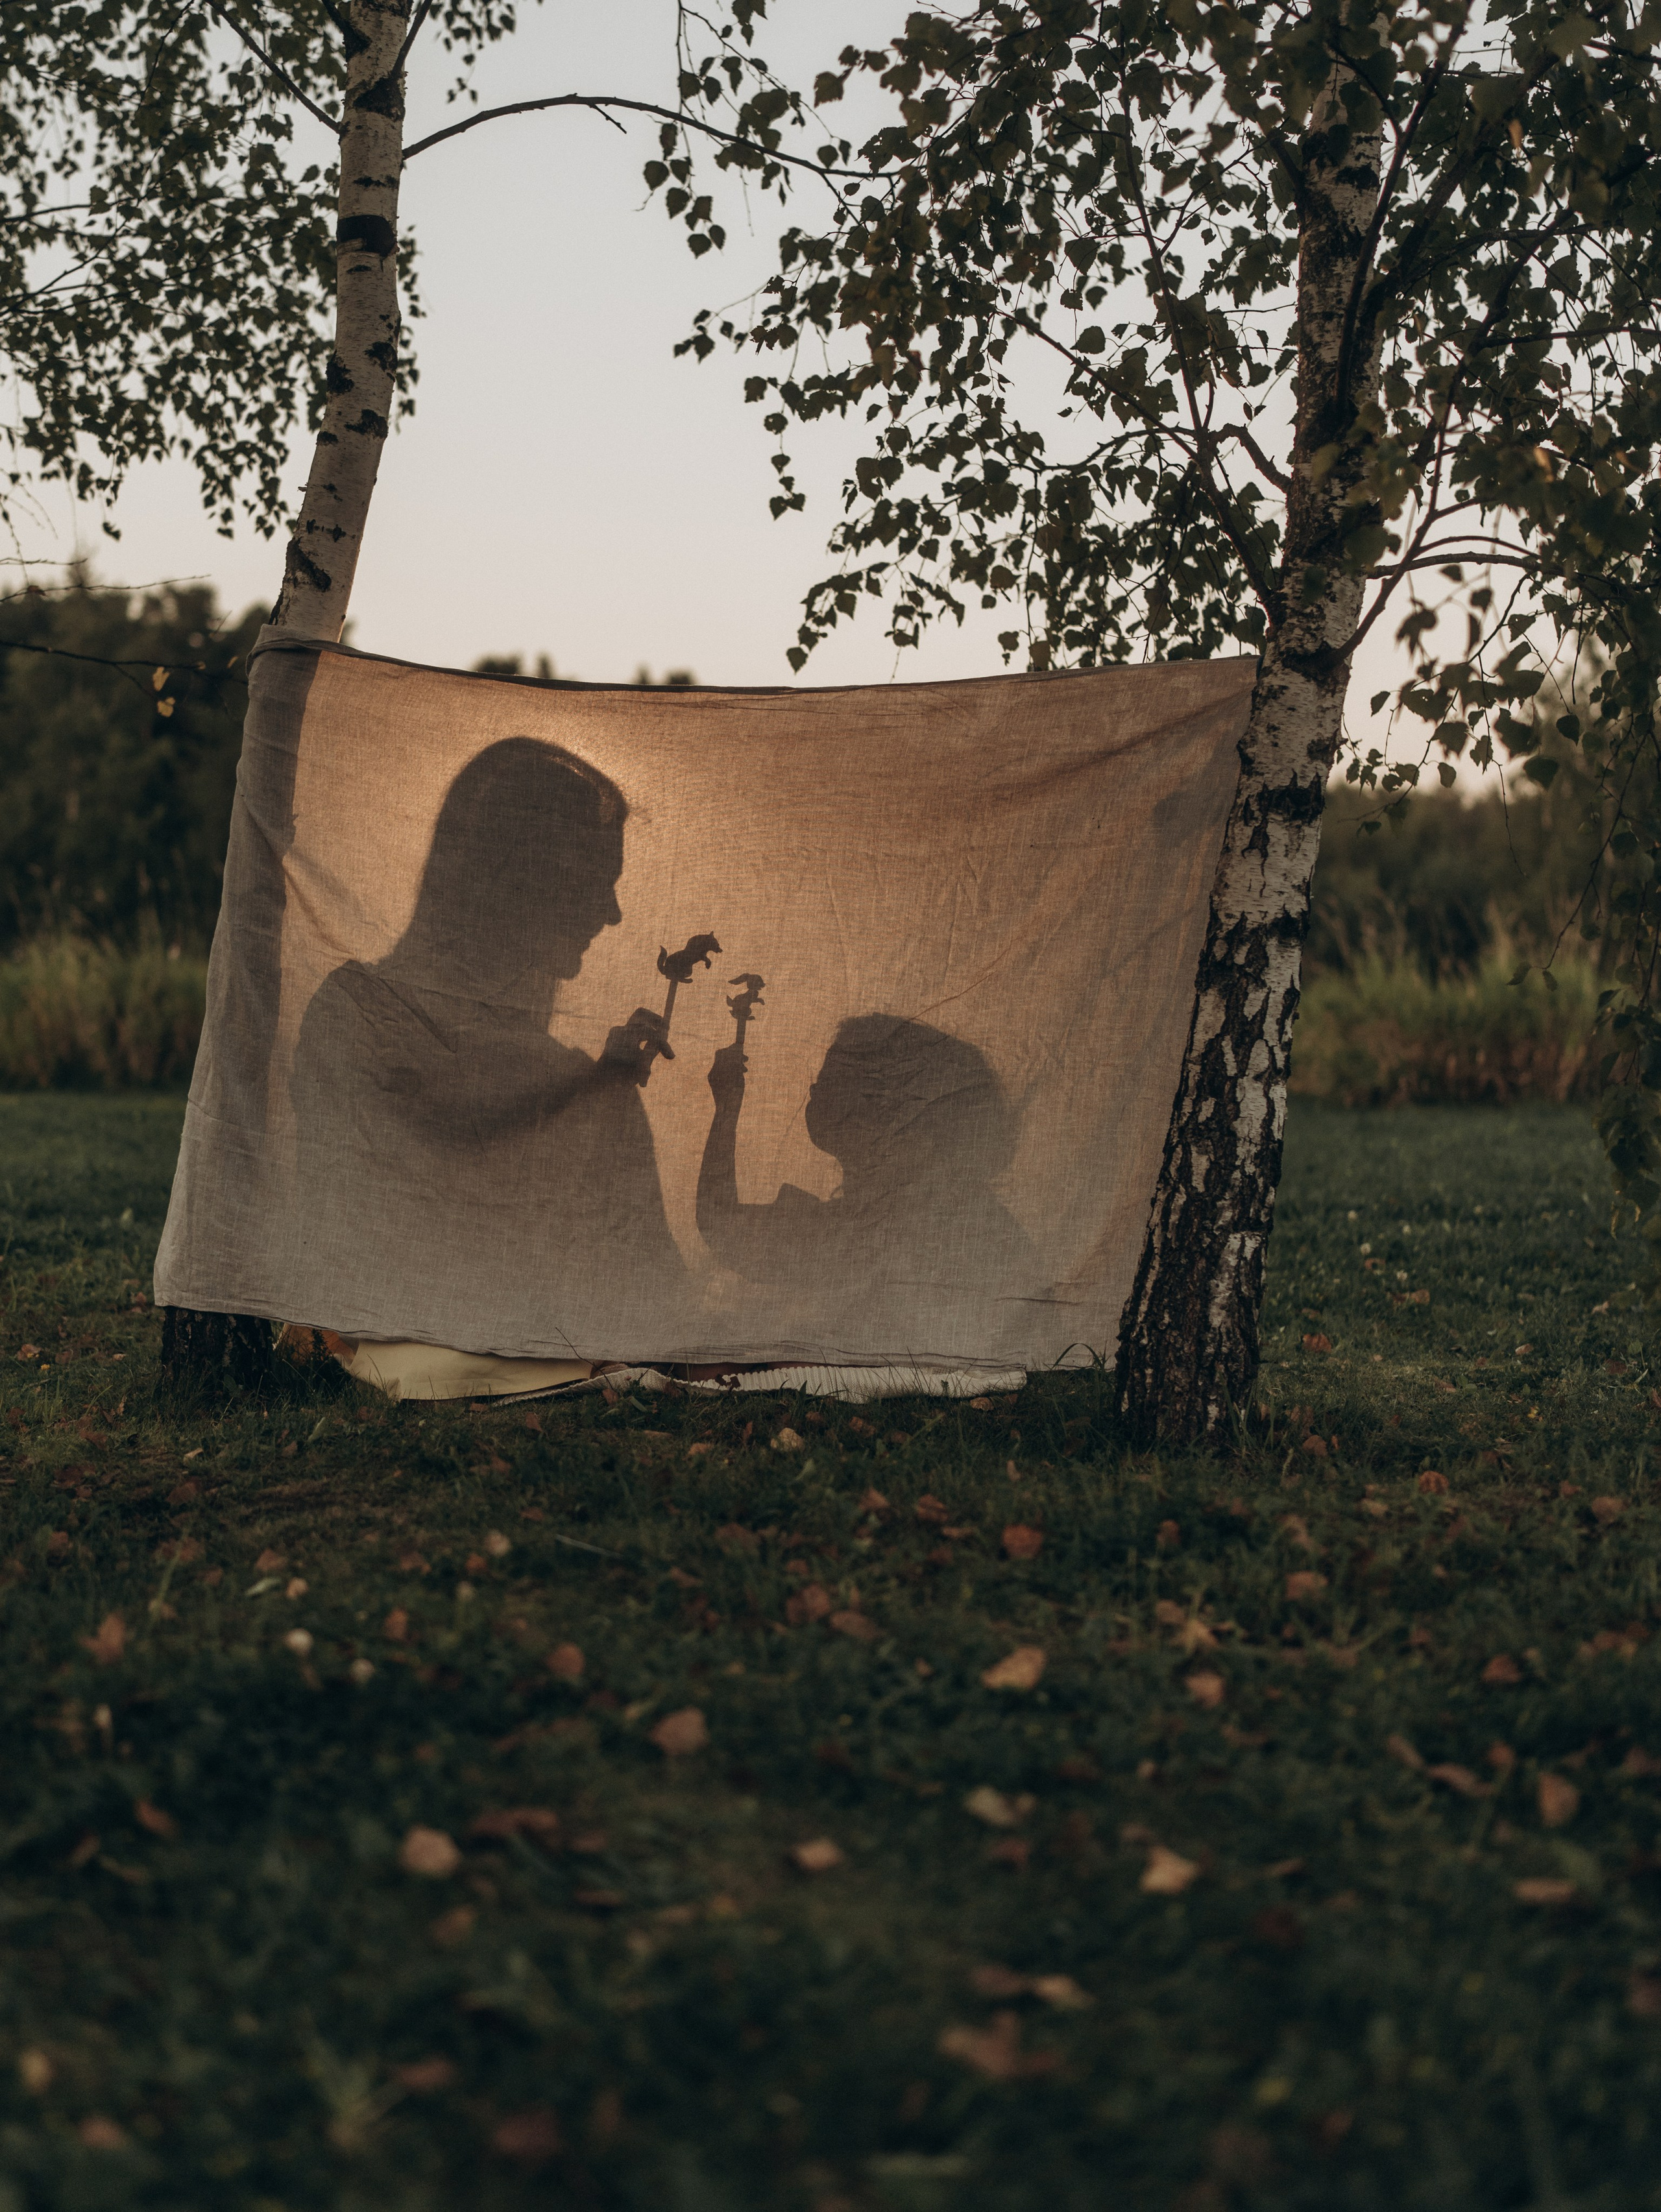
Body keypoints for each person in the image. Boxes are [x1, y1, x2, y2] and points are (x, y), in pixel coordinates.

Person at [288, 737, 683, 1356]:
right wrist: (584, 1090)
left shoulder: (546, 1067)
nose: (612, 914)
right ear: (521, 881)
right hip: (396, 1339)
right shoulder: (360, 1012)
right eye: (595, 882)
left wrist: (591, 1085)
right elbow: (430, 1155)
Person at [696, 1012, 1038, 1359]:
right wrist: (726, 1107)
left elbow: (725, 1230)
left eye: (832, 1082)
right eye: (821, 1083)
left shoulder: (925, 1229)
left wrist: (726, 1110)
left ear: (892, 1107)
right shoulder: (882, 1214)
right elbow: (728, 1230)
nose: (815, 1094)